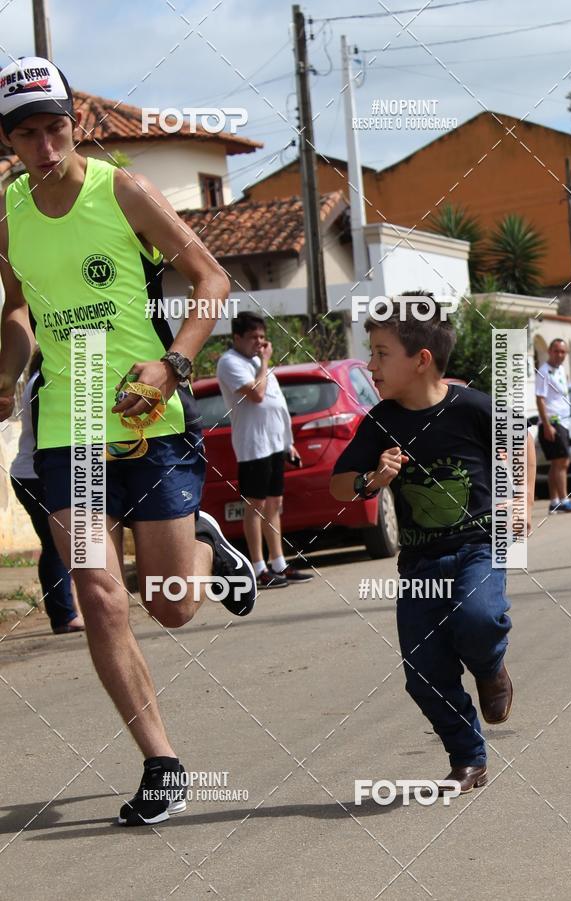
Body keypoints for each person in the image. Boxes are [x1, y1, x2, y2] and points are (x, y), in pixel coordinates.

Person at [0, 56, 257, 827]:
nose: (44, 149)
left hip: (149, 421)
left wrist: (174, 364)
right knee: (98, 594)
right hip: (68, 428)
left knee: (170, 605)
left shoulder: (126, 190)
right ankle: (162, 761)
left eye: (54, 129)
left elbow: (211, 281)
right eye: (25, 136)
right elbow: (16, 310)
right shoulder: (6, 212)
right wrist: (5, 373)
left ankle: (208, 548)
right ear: (7, 140)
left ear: (74, 122)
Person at [330, 295, 536, 793]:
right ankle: (468, 758)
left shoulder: (471, 408)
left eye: (381, 353)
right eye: (370, 352)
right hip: (420, 562)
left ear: (421, 360)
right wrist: (371, 479)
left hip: (478, 546)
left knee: (479, 618)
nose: (370, 364)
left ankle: (490, 668)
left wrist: (522, 504)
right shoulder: (380, 421)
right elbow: (339, 483)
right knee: (423, 672)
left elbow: (522, 445)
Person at [216, 312, 313, 587]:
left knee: (275, 503)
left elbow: (277, 403)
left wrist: (287, 442)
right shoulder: (230, 363)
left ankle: (279, 563)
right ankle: (257, 568)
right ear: (237, 338)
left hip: (273, 443)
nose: (259, 343)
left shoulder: (258, 362)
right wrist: (266, 362)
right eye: (253, 338)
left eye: (262, 337)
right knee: (255, 505)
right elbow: (257, 395)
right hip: (253, 445)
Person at [10, 349, 84, 634]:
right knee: (56, 544)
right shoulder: (42, 384)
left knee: (59, 543)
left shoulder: (42, 381)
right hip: (35, 475)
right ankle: (64, 615)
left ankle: (65, 612)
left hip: (33, 473)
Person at [535, 338, 571, 513]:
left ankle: (554, 501)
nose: (560, 355)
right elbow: (540, 399)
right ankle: (564, 500)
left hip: (564, 422)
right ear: (549, 351)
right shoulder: (544, 371)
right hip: (553, 422)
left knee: (556, 464)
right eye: (557, 351)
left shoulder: (561, 370)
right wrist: (547, 425)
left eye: (563, 352)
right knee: (562, 463)